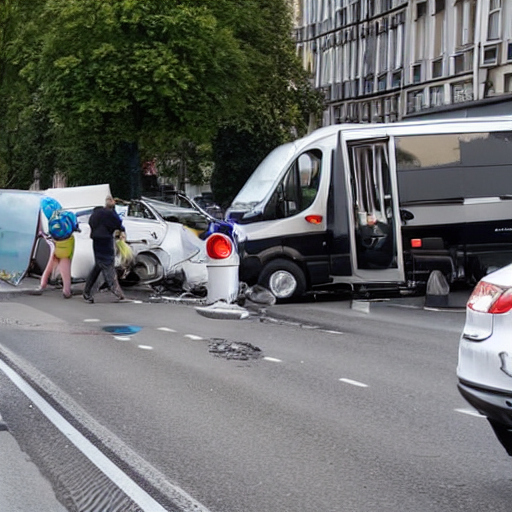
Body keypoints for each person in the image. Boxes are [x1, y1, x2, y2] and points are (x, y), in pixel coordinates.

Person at [83, 196, 126, 303]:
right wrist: (121, 231)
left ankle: (87, 291)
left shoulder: (95, 214)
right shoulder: (110, 214)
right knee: (108, 264)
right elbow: (118, 223)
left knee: (98, 265)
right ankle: (115, 290)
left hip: (96, 240)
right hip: (106, 240)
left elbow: (91, 223)